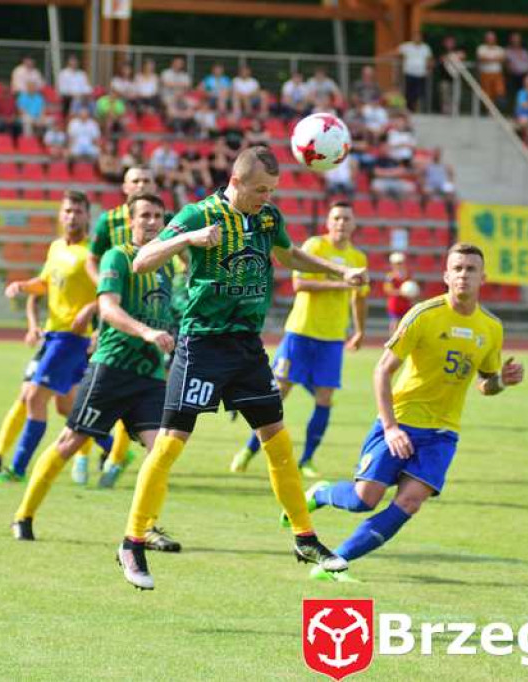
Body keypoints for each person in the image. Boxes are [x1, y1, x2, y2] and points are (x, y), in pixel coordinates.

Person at [115, 146, 367, 590]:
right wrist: (187, 240)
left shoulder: (268, 219)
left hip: (247, 348)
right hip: (202, 345)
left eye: (272, 190)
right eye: (260, 190)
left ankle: (305, 537)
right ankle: (132, 542)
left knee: (278, 442)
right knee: (171, 445)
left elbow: (288, 257)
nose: (266, 198)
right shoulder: (198, 214)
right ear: (236, 182)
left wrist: (337, 271)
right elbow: (143, 259)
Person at [285, 242, 524, 582]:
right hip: (400, 421)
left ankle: (335, 562)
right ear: (445, 275)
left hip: (442, 433)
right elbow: (382, 370)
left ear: (483, 277)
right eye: (457, 269)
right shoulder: (424, 315)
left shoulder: (491, 328)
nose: (464, 275)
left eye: (471, 269)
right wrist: (391, 427)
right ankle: (320, 493)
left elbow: (485, 384)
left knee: (410, 502)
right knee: (363, 500)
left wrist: (502, 380)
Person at [11, 193, 177, 542]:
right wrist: (148, 332)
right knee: (70, 441)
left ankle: (145, 528)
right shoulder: (118, 256)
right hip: (112, 369)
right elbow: (109, 308)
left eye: (157, 216)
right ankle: (23, 515)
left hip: (149, 374)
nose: (151, 222)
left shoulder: (166, 267)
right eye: (144, 215)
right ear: (130, 222)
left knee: (160, 450)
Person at [229, 201, 369, 478]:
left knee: (325, 398)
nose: (341, 223)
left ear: (354, 225)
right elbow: (300, 284)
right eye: (336, 218)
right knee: (278, 394)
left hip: (331, 339)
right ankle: (248, 450)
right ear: (328, 222)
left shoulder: (358, 258)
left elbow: (359, 297)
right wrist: (342, 282)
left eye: (346, 218)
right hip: (301, 333)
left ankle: (307, 460)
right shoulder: (315, 246)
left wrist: (360, 330)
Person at [0, 192, 97, 484]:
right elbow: (44, 283)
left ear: (87, 216)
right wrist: (22, 285)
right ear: (61, 215)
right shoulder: (56, 247)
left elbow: (109, 290)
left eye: (78, 211)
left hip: (71, 339)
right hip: (53, 336)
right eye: (67, 211)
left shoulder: (91, 253)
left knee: (33, 397)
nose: (72, 216)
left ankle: (17, 469)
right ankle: (111, 448)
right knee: (66, 406)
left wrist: (92, 312)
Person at [83, 166, 164, 490]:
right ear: (124, 186)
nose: (141, 185)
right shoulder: (109, 223)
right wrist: (102, 292)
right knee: (82, 408)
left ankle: (115, 458)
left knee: (139, 399)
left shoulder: (162, 222)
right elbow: (93, 259)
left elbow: (175, 262)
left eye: (147, 181)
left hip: (149, 316)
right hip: (113, 306)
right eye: (136, 181)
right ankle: (82, 454)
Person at [397, 33, 432, 113]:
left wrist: (429, 68)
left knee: (419, 93)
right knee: (408, 92)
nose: (417, 39)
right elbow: (396, 52)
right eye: (415, 37)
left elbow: (429, 59)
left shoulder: (425, 48)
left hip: (421, 74)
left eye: (418, 37)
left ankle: (417, 109)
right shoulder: (407, 46)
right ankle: (408, 109)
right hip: (409, 73)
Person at [384, 252, 412, 335]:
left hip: (405, 304)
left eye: (400, 262)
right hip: (395, 304)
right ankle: (393, 343)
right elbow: (388, 289)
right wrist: (401, 292)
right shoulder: (390, 276)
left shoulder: (407, 275)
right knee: (394, 324)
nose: (399, 265)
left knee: (405, 325)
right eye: (397, 263)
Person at [476, 31, 506, 105]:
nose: (490, 40)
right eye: (489, 38)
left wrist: (488, 58)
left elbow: (502, 59)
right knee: (487, 93)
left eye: (492, 38)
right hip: (485, 74)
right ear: (485, 39)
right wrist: (495, 58)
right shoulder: (481, 48)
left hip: (497, 74)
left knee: (499, 91)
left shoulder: (499, 48)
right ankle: (489, 110)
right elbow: (481, 58)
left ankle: (498, 105)